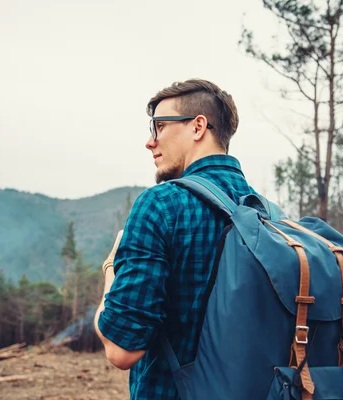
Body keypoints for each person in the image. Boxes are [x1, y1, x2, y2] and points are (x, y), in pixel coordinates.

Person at [94, 79, 259, 399]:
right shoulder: (266, 212)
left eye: (158, 126)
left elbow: (121, 351)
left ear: (198, 126)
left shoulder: (161, 204)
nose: (149, 141)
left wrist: (110, 269)